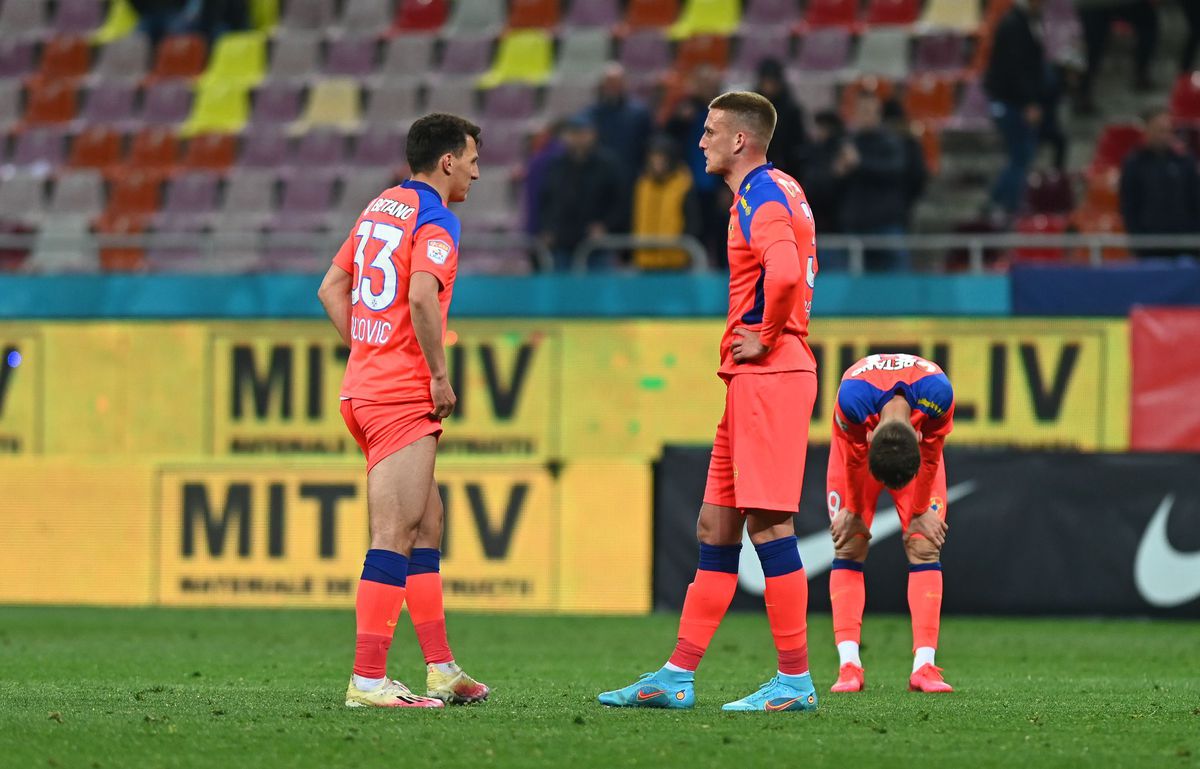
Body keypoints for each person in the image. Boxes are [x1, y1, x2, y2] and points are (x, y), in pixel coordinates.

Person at [599, 91, 821, 712]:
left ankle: (796, 681)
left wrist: (769, 333)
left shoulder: (763, 194)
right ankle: (676, 676)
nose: (701, 142)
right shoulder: (776, 191)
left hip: (771, 373)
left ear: (741, 141)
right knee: (715, 525)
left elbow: (780, 273)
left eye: (710, 131)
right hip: (754, 379)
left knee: (769, 523)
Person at [317, 113, 491, 709]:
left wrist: (368, 349)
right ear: (447, 161)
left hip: (367, 387)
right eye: (471, 159)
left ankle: (440, 668)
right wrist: (437, 375)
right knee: (392, 534)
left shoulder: (379, 206)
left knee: (426, 527)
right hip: (398, 396)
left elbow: (330, 289)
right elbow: (421, 294)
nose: (475, 170)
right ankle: (368, 680)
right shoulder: (438, 217)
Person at [825, 353, 955, 695]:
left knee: (924, 543)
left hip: (916, 455)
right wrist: (852, 509)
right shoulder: (851, 400)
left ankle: (924, 667)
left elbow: (931, 453)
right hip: (852, 452)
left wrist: (919, 511)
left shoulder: (938, 394)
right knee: (849, 540)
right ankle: (849, 665)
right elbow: (853, 459)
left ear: (917, 429)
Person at [984, 0, 1047, 217]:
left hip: (1014, 101)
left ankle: (998, 203)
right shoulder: (1013, 24)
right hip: (1012, 102)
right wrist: (1029, 102)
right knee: (1020, 155)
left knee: (1019, 156)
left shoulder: (1027, 22)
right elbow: (1015, 68)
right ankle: (1005, 206)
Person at [538, 113, 623, 270]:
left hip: (596, 246)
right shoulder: (557, 166)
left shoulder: (608, 165)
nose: (578, 138)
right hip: (562, 244)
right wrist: (548, 228)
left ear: (593, 134)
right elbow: (546, 200)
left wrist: (606, 226)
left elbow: (619, 202)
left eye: (582, 132)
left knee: (595, 291)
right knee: (563, 292)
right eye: (574, 133)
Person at [838, 93, 913, 271]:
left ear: (879, 114)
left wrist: (859, 163)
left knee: (898, 286)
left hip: (886, 225)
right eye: (862, 111)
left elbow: (895, 170)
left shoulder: (891, 143)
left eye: (871, 111)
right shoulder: (847, 144)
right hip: (855, 227)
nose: (866, 116)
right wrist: (837, 172)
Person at [1119, 107, 1200, 259]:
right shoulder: (1134, 164)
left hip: (1185, 245)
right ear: (1147, 131)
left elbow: (1195, 200)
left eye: (1168, 130)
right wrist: (1138, 240)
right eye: (1160, 130)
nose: (1165, 135)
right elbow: (1128, 205)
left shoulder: (1185, 161)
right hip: (1149, 246)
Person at [587, 63, 653, 231]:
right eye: (609, 82)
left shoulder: (639, 114)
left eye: (616, 82)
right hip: (600, 184)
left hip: (631, 181)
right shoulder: (592, 115)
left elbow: (648, 146)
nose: (612, 87)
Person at [631, 135, 702, 269]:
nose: (657, 163)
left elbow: (693, 222)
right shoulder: (643, 185)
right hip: (644, 262)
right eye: (654, 157)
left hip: (675, 263)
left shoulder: (683, 185)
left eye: (662, 158)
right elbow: (634, 218)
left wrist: (685, 254)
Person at [753, 58, 808, 178]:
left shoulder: (791, 110)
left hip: (785, 170)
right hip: (756, 169)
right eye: (766, 82)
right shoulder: (752, 107)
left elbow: (798, 145)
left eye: (772, 82)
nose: (769, 86)